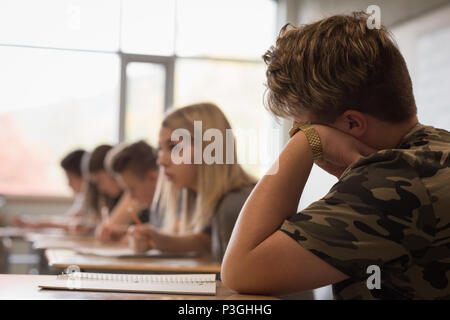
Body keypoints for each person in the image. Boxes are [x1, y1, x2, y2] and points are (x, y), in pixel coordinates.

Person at [221, 12, 450, 299]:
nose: (296, 131)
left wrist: (306, 142)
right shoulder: (435, 150)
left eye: (300, 123)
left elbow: (241, 271)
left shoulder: (392, 177)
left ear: (352, 123)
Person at [127, 103, 256, 261]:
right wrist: (157, 240)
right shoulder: (219, 200)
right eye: (161, 149)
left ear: (209, 148)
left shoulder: (233, 206)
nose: (161, 161)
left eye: (174, 147)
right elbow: (205, 241)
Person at [95, 141, 160, 241]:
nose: (131, 197)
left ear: (152, 178)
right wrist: (125, 232)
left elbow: (170, 236)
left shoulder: (172, 200)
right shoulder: (155, 205)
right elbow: (159, 232)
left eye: (132, 189)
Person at [12, 149, 89, 233]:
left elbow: (71, 222)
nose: (69, 184)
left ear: (85, 177)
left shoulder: (90, 198)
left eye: (71, 178)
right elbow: (68, 220)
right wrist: (34, 222)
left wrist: (34, 223)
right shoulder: (82, 198)